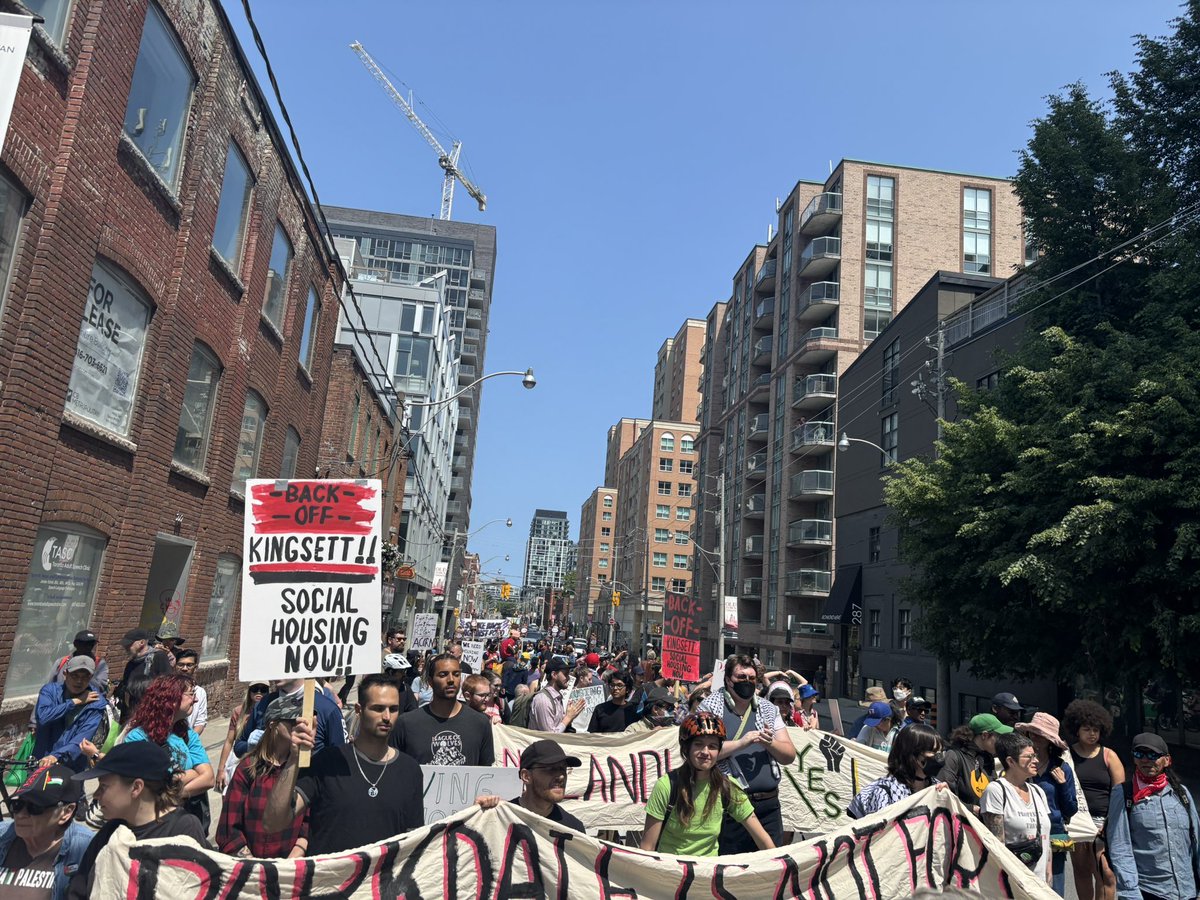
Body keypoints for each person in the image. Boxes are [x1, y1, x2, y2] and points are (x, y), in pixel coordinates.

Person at [263, 674, 424, 855]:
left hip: (382, 881)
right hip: (330, 881)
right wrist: (294, 759)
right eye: (378, 709)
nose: (387, 717)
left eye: (393, 709)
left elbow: (414, 842)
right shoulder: (327, 762)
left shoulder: (410, 770)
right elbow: (273, 822)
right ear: (359, 709)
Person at [67, 742, 208, 899]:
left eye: (104, 786)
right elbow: (78, 891)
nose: (96, 795)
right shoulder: (111, 831)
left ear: (136, 788)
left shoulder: (184, 829)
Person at [698, 654, 796, 853]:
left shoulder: (768, 709)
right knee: (732, 869)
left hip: (768, 806)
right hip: (729, 806)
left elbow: (789, 755)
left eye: (752, 678)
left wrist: (770, 743)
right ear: (728, 680)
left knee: (771, 866)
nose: (747, 682)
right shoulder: (710, 708)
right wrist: (743, 743)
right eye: (741, 678)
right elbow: (702, 754)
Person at [641, 712, 774, 856]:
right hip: (670, 872)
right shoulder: (666, 786)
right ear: (686, 747)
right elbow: (647, 847)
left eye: (712, 746)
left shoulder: (727, 787)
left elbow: (763, 839)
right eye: (698, 745)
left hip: (708, 873)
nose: (705, 752)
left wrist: (781, 866)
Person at [1107, 732, 1200, 900]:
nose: (1145, 760)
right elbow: (1120, 847)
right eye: (1139, 754)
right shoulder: (1124, 794)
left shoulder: (1182, 794)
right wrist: (1130, 894)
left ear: (1167, 760)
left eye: (1152, 755)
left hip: (1187, 890)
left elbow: (1196, 841)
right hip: (1150, 891)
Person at [116, 673, 215, 831]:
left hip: (188, 820)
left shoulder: (189, 736)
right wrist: (192, 774)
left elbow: (208, 779)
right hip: (153, 823)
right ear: (172, 698)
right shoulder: (138, 737)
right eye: (191, 694)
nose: (195, 700)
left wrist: (170, 797)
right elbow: (148, 783)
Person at [216, 695, 309, 859]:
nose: (299, 727)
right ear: (273, 724)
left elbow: (308, 824)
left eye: (303, 722)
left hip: (290, 870)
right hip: (250, 871)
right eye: (292, 721)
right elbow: (229, 830)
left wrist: (290, 863)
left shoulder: (304, 771)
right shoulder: (248, 768)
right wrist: (256, 868)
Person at [0, 765, 94, 900]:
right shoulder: (3, 835)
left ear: (66, 812)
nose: (20, 815)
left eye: (35, 807)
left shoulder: (87, 848)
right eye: (17, 805)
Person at [1063, 699, 1124, 900]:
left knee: (1105, 873)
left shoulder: (1109, 756)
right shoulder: (1066, 755)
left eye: (1096, 730)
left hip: (1104, 823)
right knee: (1081, 871)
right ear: (1077, 730)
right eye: (1087, 729)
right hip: (1077, 822)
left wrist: (1109, 824)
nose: (1092, 734)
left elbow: (1119, 795)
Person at [389, 654, 494, 765]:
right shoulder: (405, 724)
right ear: (430, 681)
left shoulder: (480, 723)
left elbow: (486, 773)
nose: (451, 680)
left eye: (456, 674)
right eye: (443, 675)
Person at [1016, 712, 1077, 896]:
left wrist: (1062, 784)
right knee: (1026, 886)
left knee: (1055, 889)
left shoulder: (1061, 767)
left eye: (1040, 734)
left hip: (1055, 832)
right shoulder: (1021, 764)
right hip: (1025, 830)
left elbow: (1071, 809)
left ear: (1050, 740)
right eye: (1032, 733)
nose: (1035, 737)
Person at [979, 733, 1052, 885]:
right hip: (1013, 882)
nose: (1036, 761)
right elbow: (996, 845)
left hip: (1040, 882)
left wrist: (1048, 870)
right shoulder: (996, 791)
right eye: (1029, 757)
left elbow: (1046, 838)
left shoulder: (1038, 791)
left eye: (1035, 755)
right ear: (1011, 761)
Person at [477, 739, 586, 832]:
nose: (561, 777)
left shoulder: (574, 829)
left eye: (563, 769)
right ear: (526, 776)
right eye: (551, 769)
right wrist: (477, 816)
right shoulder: (499, 819)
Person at [848, 724, 943, 818]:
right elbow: (883, 831)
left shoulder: (937, 787)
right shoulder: (886, 793)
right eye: (932, 751)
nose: (939, 758)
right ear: (912, 754)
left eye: (940, 752)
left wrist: (946, 797)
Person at [235, 677, 345, 759]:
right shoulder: (264, 704)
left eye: (284, 663)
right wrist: (251, 746)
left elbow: (341, 758)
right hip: (266, 783)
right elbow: (238, 747)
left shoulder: (328, 709)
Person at [32, 656, 109, 772]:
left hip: (70, 765)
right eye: (75, 676)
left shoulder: (96, 703)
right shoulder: (49, 691)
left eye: (85, 677)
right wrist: (75, 702)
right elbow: (43, 717)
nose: (79, 681)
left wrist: (56, 756)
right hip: (41, 759)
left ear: (91, 677)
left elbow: (82, 738)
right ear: (65, 674)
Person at [940, 713, 1011, 814]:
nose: (1001, 742)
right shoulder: (954, 756)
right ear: (985, 735)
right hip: (961, 823)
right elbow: (943, 794)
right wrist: (970, 809)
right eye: (998, 736)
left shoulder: (988, 758)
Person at [216, 681, 269, 793]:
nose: (259, 692)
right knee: (229, 793)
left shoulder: (270, 711)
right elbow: (229, 741)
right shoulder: (239, 711)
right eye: (255, 689)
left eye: (263, 689)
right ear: (249, 691)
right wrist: (221, 769)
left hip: (258, 761)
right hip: (237, 757)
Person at [116, 629, 172, 711]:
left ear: (142, 642)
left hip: (150, 710)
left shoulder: (159, 657)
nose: (126, 647)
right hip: (131, 712)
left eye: (129, 644)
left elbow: (167, 685)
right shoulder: (131, 664)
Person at [527, 658, 586, 734]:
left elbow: (558, 725)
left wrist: (570, 715)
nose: (568, 678)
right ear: (554, 675)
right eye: (565, 674)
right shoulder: (543, 700)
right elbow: (549, 736)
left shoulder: (557, 698)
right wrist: (568, 718)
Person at [45, 630, 109, 692]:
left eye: (91, 644)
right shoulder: (62, 662)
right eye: (84, 644)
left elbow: (101, 688)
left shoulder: (99, 664)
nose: (88, 647)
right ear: (76, 644)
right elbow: (49, 685)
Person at [172, 648, 207, 735]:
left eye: (189, 665)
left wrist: (190, 740)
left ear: (195, 667)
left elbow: (200, 722)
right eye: (181, 664)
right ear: (175, 665)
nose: (184, 668)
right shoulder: (167, 689)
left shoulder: (200, 692)